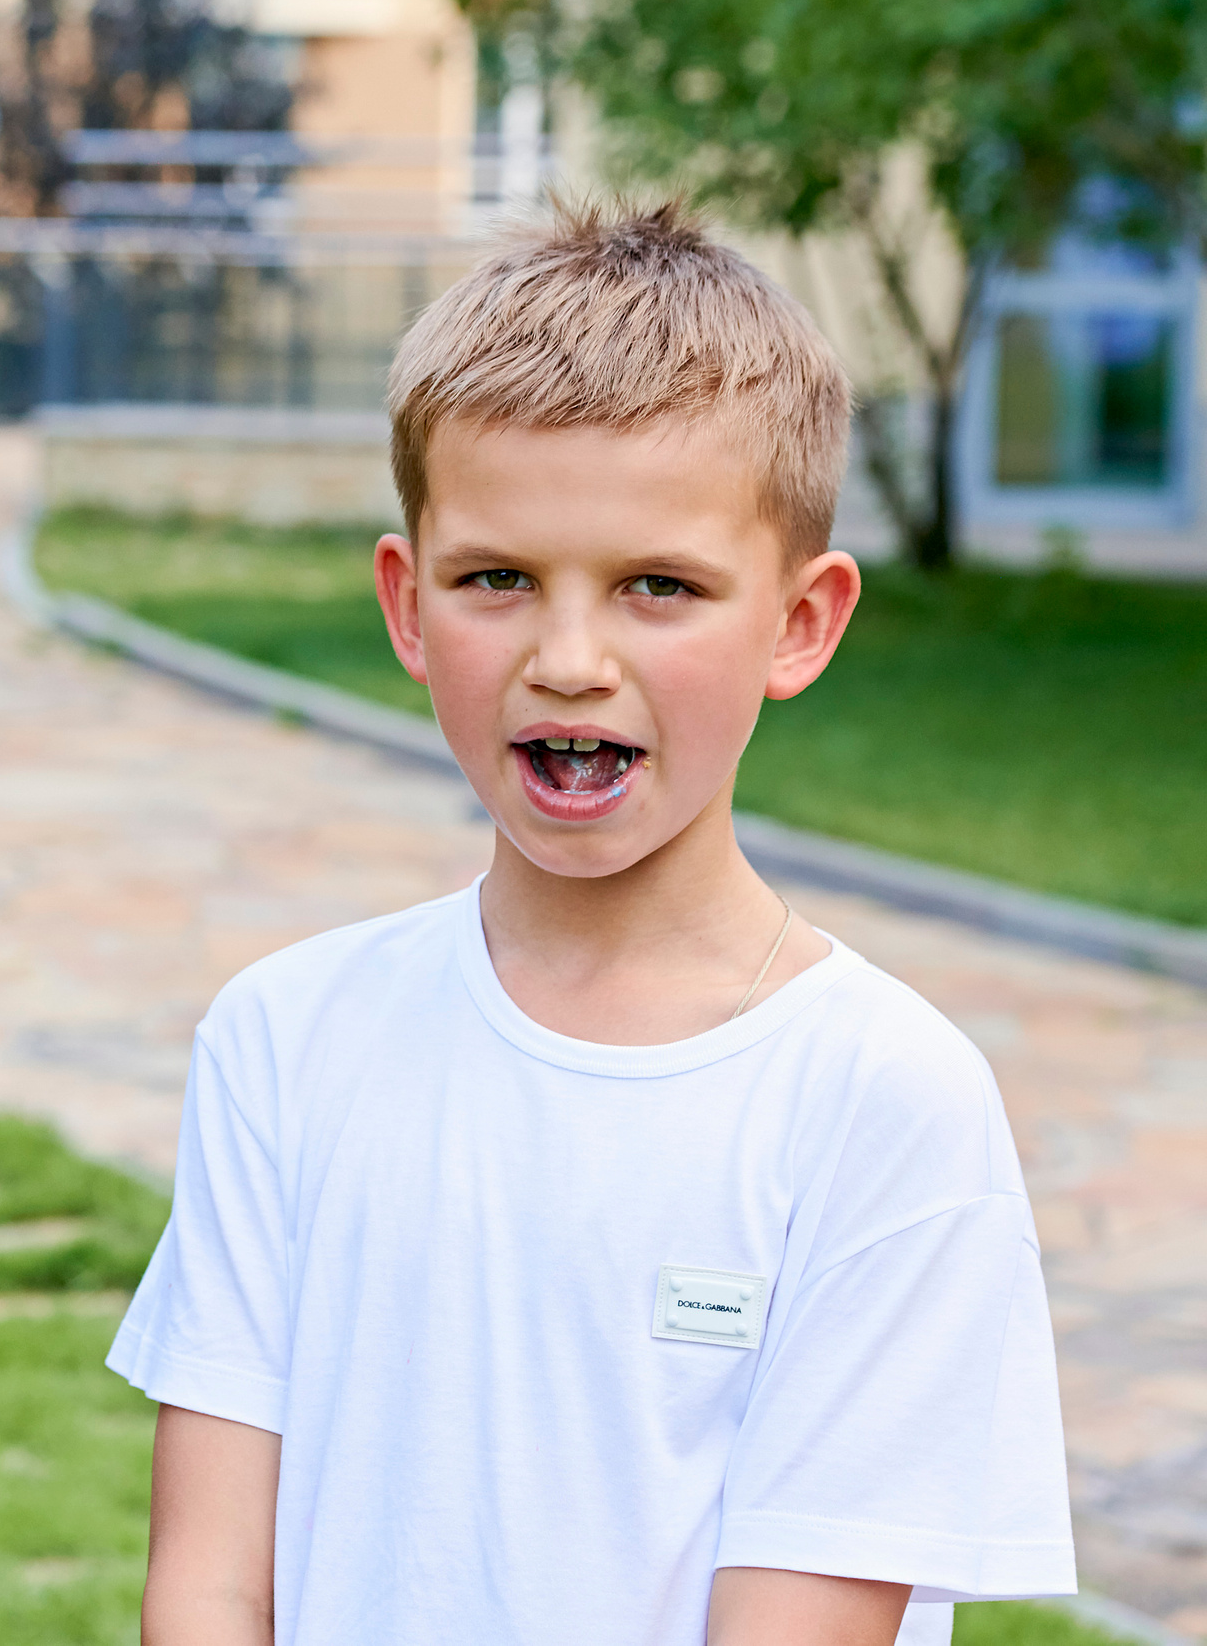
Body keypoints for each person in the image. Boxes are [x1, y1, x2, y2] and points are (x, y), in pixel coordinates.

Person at [108, 201, 1073, 1646]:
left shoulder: (884, 1103)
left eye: (659, 589)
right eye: (499, 579)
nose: (569, 661)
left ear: (801, 624)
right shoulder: (284, 1040)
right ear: (408, 604)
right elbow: (208, 1585)